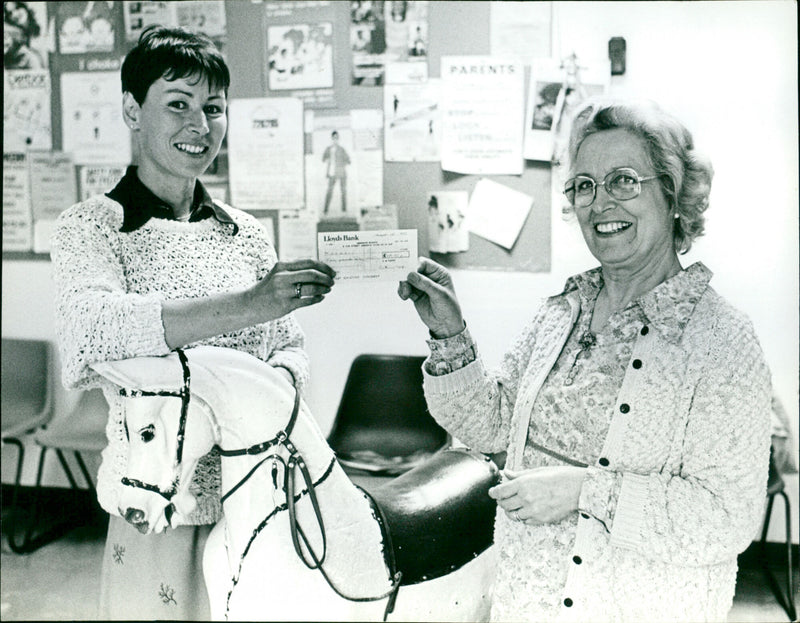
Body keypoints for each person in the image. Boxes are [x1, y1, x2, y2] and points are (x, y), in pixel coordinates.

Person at [398, 98, 772, 622]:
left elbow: (726, 518)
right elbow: (491, 425)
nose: (599, 203)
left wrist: (584, 493)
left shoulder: (722, 341)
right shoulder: (563, 311)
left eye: (623, 181)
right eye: (584, 186)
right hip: (526, 601)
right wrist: (448, 330)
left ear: (674, 194)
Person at [50, 26, 335, 620]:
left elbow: (288, 347)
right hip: (157, 504)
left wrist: (273, 386)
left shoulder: (243, 232)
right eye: (178, 104)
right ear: (132, 110)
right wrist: (250, 304)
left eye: (214, 108)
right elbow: (93, 328)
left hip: (256, 499)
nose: (200, 125)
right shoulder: (92, 228)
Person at [322, 130, 351, 215]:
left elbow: (349, 160)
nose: (335, 140)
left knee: (343, 191)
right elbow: (323, 159)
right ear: (331, 139)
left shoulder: (342, 149)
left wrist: (342, 164)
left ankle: (344, 210)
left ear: (338, 139)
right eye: (334, 138)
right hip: (332, 173)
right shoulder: (328, 149)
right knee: (329, 191)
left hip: (342, 173)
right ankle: (325, 210)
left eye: (337, 138)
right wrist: (327, 160)